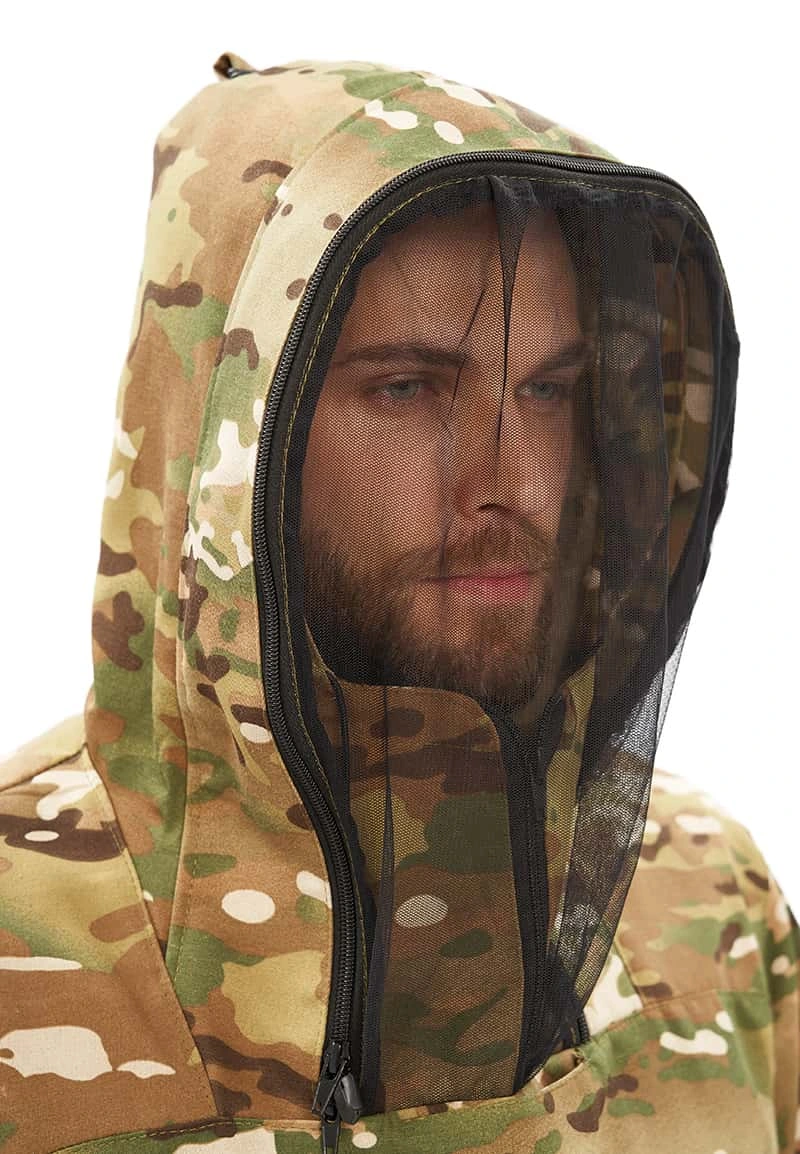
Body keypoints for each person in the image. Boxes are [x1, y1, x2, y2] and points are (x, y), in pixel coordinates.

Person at [0, 51, 796, 1154]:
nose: (514, 483)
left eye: (549, 390)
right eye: (409, 387)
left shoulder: (706, 904)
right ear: (227, 430)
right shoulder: (20, 947)